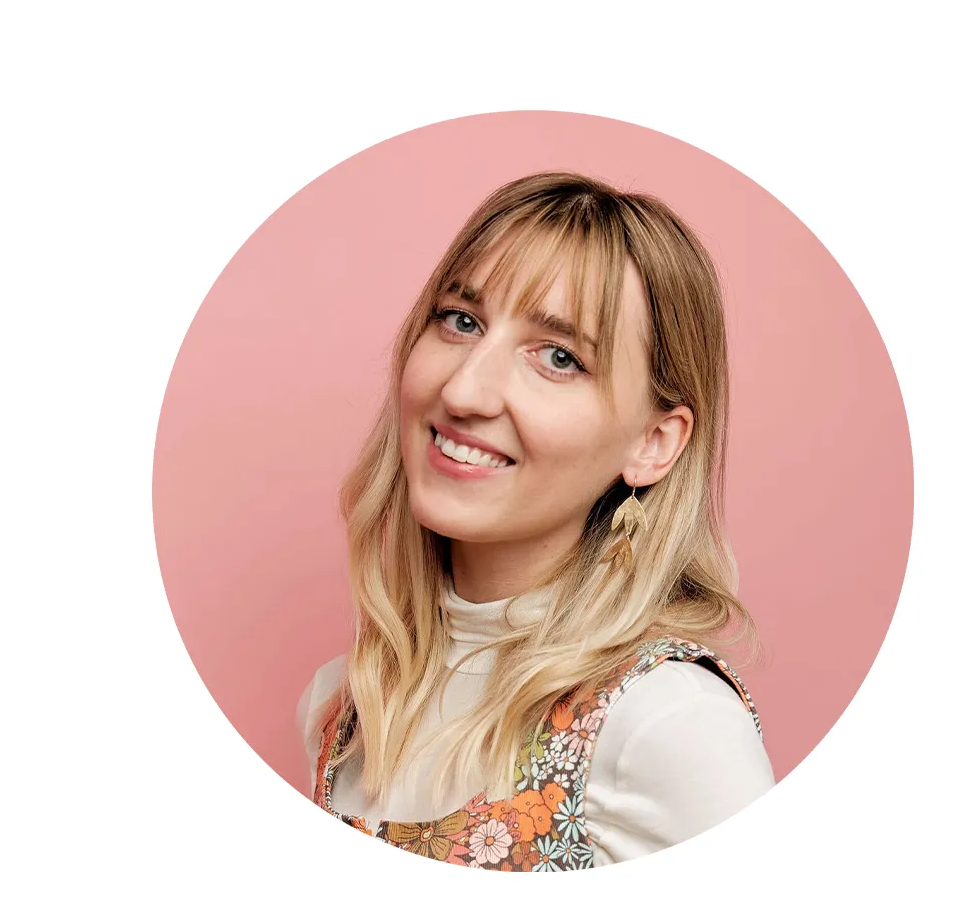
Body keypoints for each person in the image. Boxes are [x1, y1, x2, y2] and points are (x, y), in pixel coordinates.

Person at [297, 170, 774, 870]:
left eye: (559, 358)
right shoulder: (344, 707)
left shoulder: (666, 728)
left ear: (654, 442)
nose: (463, 390)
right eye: (461, 320)